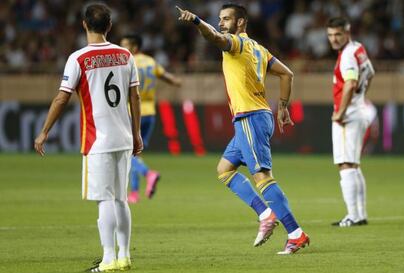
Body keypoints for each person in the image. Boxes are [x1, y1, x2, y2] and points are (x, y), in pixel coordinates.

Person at [176, 3, 309, 254]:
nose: (221, 23)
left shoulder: (236, 44)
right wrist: (282, 107)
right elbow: (287, 74)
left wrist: (196, 21)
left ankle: (296, 233)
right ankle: (266, 214)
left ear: (240, 23)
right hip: (256, 117)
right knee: (224, 170)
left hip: (250, 118)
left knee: (262, 178)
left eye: (226, 19)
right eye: (219, 18)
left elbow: (213, 36)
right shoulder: (259, 49)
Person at [34, 3, 143, 272]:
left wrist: (45, 131)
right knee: (120, 198)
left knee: (104, 199)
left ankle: (108, 259)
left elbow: (62, 97)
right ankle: (124, 256)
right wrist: (137, 133)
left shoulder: (79, 58)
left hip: (98, 140)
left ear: (84, 24)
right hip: (125, 137)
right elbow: (135, 96)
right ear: (109, 26)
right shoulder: (126, 55)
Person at [120, 34, 182, 203]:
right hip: (150, 113)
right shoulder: (150, 61)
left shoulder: (127, 61)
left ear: (134, 47)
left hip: (133, 112)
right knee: (134, 154)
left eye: (124, 45)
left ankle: (149, 174)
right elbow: (166, 77)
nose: (122, 48)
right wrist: (177, 82)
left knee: (128, 154)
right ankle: (134, 193)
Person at [326, 17, 375, 227]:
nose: (333, 39)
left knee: (345, 164)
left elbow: (350, 83)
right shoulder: (357, 48)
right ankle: (360, 215)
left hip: (348, 115)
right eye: (330, 35)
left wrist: (341, 112)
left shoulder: (347, 56)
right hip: (359, 109)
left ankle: (353, 216)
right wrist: (360, 98)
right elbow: (371, 73)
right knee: (353, 165)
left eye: (338, 34)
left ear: (347, 33)